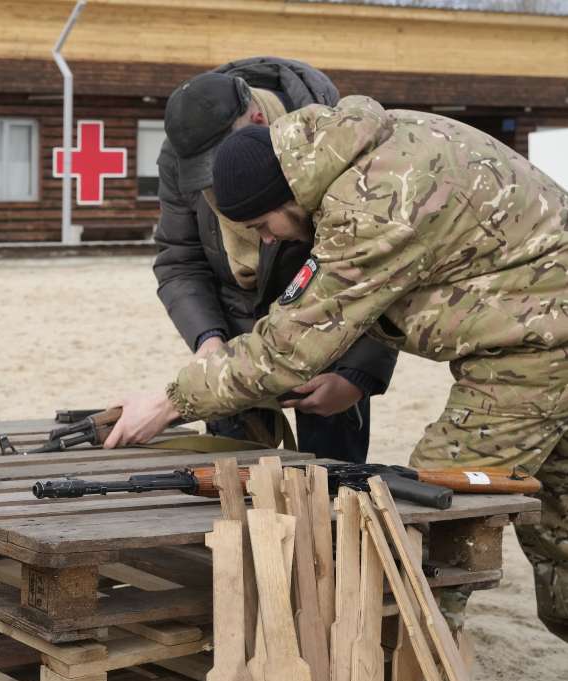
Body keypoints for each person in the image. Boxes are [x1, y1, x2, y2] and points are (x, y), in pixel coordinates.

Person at [105, 95, 568, 642]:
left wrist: (167, 402)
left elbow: (286, 348)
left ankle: (405, 660)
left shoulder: (373, 202)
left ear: (287, 194)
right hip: (536, 326)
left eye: (263, 223)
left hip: (537, 349)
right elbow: (405, 278)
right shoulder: (345, 152)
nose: (269, 239)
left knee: (429, 523)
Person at [153, 60, 396, 461]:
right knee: (230, 480)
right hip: (233, 335)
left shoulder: (337, 138)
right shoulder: (184, 151)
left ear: (259, 117)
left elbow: (379, 268)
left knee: (334, 486)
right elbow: (180, 259)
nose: (221, 181)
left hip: (330, 331)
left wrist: (357, 375)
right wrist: (208, 337)